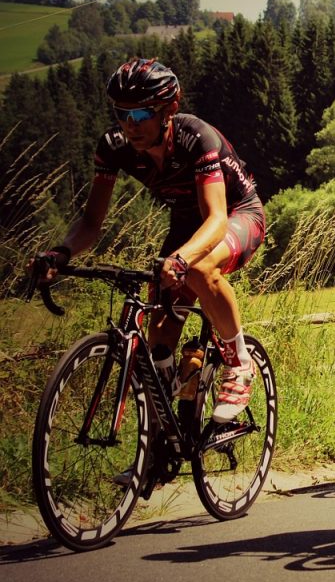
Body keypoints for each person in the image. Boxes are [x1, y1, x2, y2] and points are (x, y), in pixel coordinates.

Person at [33, 58, 265, 424]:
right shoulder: (114, 147)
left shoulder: (195, 137)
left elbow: (217, 219)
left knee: (200, 268)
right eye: (121, 114)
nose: (130, 125)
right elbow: (92, 221)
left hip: (237, 214)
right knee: (158, 342)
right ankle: (156, 452)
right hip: (186, 225)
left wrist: (182, 261)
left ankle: (239, 364)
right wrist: (59, 253)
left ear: (169, 109)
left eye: (141, 114)